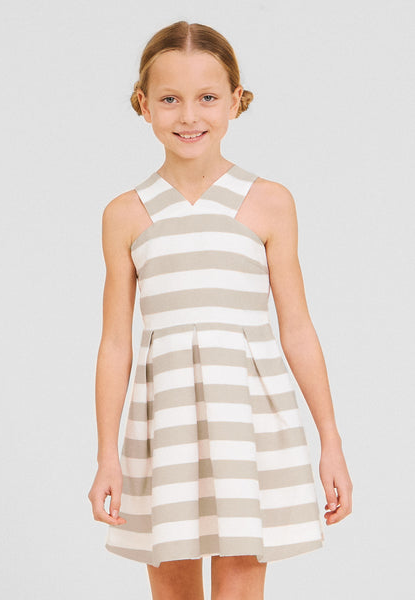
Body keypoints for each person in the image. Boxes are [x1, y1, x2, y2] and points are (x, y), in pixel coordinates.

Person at [88, 20, 353, 600]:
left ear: (235, 100)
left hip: (249, 423)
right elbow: (115, 343)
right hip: (163, 427)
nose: (189, 116)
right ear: (143, 105)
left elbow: (298, 328)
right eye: (170, 99)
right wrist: (107, 455)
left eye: (207, 97)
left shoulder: (269, 202)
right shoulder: (126, 214)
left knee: (240, 587)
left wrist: (330, 440)